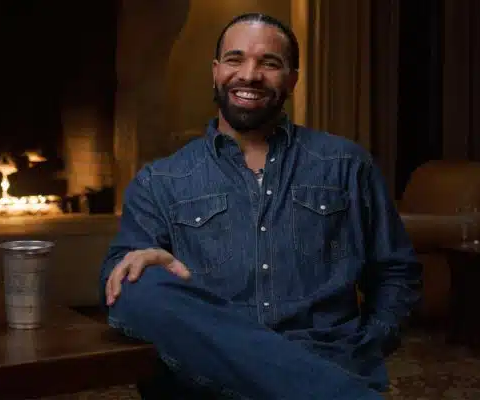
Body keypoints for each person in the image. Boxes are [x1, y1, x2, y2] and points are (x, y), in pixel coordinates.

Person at [100, 12, 422, 400]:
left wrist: (369, 345)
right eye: (235, 59)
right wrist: (143, 261)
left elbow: (395, 271)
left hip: (328, 363)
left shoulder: (347, 165)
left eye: (269, 63)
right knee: (135, 282)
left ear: (292, 80)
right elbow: (116, 289)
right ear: (216, 72)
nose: (249, 75)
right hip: (211, 381)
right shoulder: (159, 180)